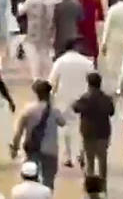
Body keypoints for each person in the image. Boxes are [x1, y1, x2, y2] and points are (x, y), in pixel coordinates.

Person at [49, 38, 94, 167]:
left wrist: (50, 99)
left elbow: (52, 82)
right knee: (83, 127)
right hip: (83, 98)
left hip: (64, 98)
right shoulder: (87, 62)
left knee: (66, 128)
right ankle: (82, 154)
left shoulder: (60, 62)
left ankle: (68, 156)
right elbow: (94, 81)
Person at [10, 80, 62, 188]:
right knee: (48, 181)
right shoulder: (54, 110)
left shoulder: (28, 109)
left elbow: (19, 131)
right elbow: (62, 122)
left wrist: (15, 148)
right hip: (50, 149)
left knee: (30, 179)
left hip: (32, 149)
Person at [72, 71, 115, 181]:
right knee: (102, 160)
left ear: (88, 84)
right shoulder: (106, 99)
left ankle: (90, 186)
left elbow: (75, 108)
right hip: (103, 133)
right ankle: (102, 183)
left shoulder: (84, 99)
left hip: (88, 133)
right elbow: (111, 112)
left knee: (89, 162)